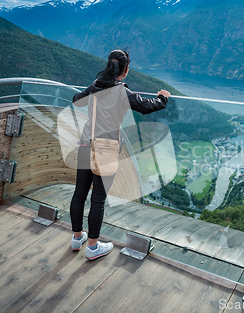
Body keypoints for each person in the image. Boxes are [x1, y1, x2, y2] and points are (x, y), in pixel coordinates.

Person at [69, 49, 170, 260]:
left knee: (79, 193)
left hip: (86, 143)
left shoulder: (96, 85)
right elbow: (145, 106)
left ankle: (77, 237)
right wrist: (163, 98)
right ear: (125, 70)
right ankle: (93, 247)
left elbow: (76, 100)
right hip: (106, 148)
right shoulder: (121, 91)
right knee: (98, 199)